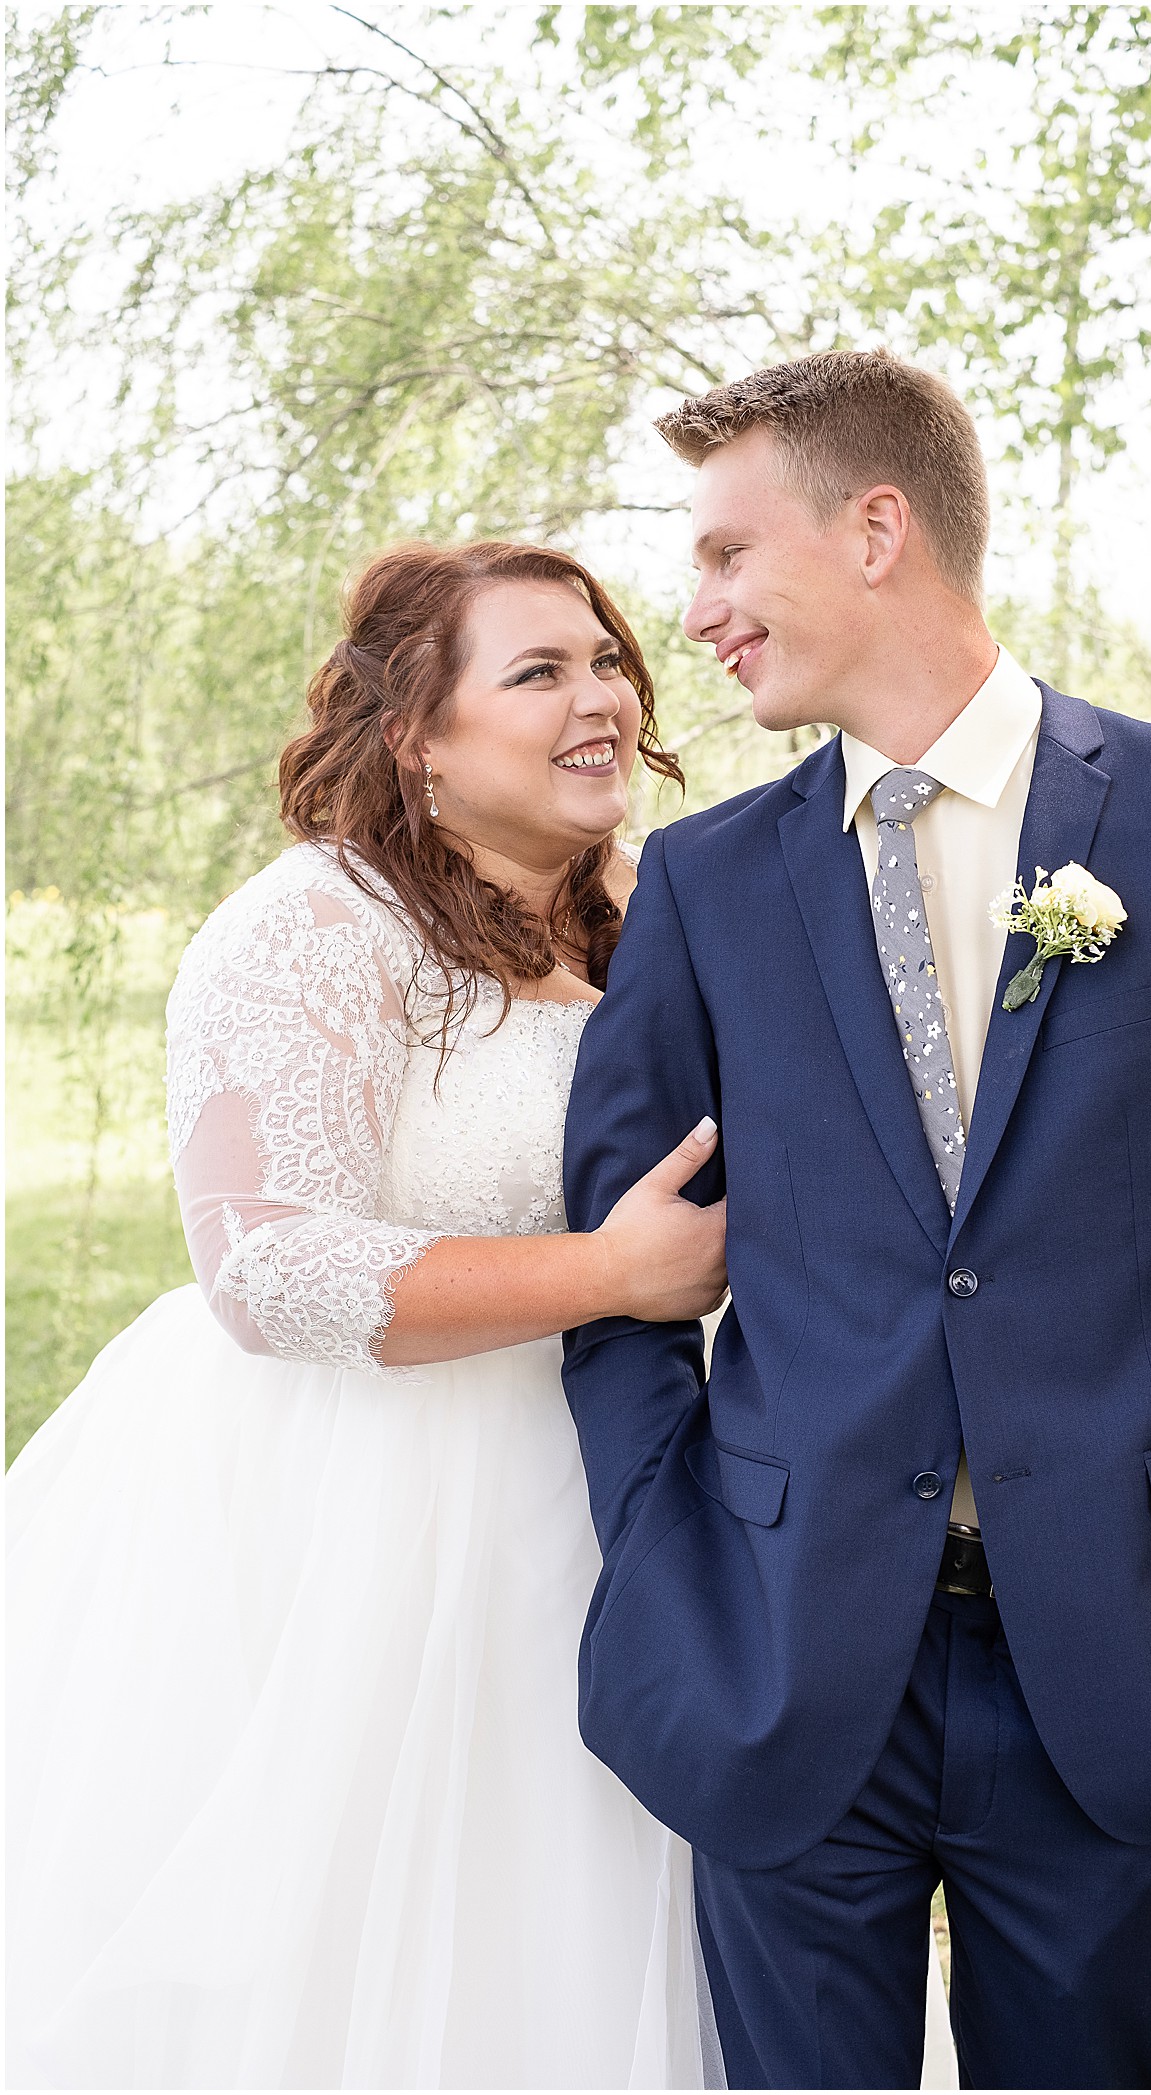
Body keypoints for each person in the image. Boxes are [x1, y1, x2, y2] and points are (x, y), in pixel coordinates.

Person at [561, 349, 1151, 2090]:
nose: (690, 610)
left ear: (876, 529)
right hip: (782, 1650)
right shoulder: (705, 882)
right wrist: (672, 1552)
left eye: (724, 554)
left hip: (1115, 1651)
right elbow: (617, 1273)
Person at [7, 539, 731, 2089]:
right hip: (356, 1506)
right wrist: (610, 1276)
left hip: (625, 1477)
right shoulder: (313, 930)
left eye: (606, 659)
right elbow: (264, 1264)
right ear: (415, 731)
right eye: (537, 672)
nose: (598, 695)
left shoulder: (662, 908)